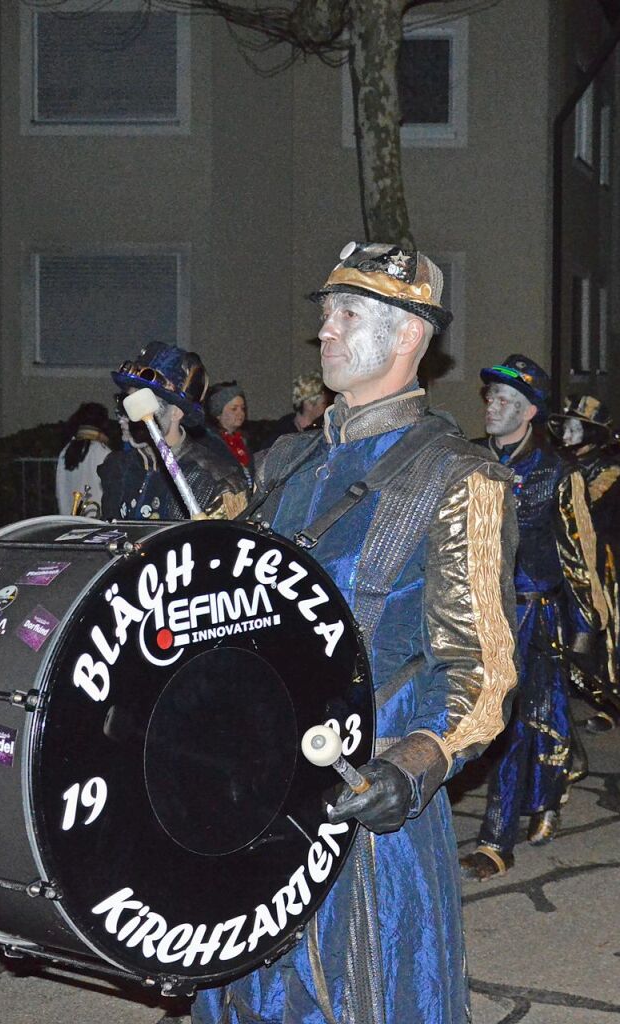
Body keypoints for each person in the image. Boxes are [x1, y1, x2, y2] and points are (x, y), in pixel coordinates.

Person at [194, 242, 519, 1024]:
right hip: (252, 794)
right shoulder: (285, 462)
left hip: (365, 808)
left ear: (409, 335)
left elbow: (483, 671)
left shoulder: (457, 476)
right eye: (325, 314)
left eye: (347, 315)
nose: (325, 333)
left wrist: (415, 762)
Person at [460, 358, 607, 883]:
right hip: (475, 615)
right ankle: (551, 789)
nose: (491, 406)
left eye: (503, 400)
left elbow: (579, 552)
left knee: (517, 724)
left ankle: (496, 840)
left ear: (528, 411)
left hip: (533, 617)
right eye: (490, 397)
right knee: (511, 719)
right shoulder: (471, 462)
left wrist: (588, 624)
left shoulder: (556, 473)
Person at [100, 343, 248, 521]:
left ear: (176, 412)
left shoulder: (217, 482)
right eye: (125, 401)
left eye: (142, 403)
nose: (125, 414)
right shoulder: (118, 468)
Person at [548, 395, 620, 732]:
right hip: (572, 561)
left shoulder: (608, 471)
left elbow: (582, 513)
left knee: (605, 637)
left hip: (605, 567)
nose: (566, 433)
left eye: (574, 427)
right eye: (564, 426)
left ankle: (610, 704)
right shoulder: (563, 465)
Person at [55, 402, 112, 517]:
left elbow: (60, 490)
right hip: (95, 519)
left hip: (69, 519)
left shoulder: (66, 451)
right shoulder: (102, 451)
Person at [258, 370, 332, 450]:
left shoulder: (325, 426)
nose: (326, 407)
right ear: (309, 405)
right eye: (323, 403)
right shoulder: (282, 431)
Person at [206, 381, 253, 485]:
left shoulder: (244, 440)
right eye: (234, 409)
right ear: (218, 413)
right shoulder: (210, 444)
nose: (240, 413)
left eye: (242, 408)